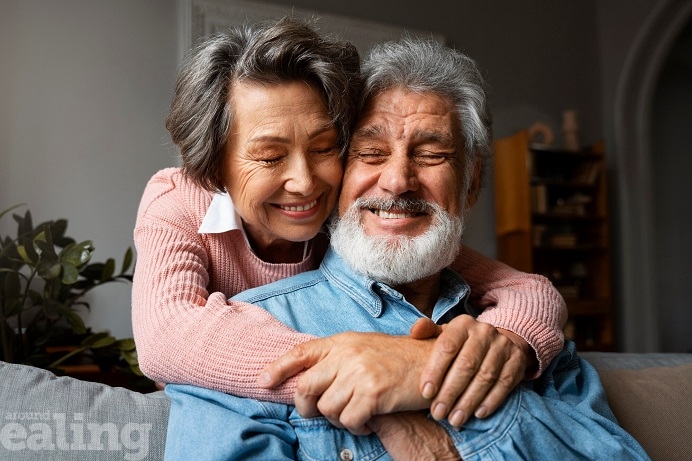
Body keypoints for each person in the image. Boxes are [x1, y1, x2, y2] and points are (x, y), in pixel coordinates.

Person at [163, 36, 650, 461]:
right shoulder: (236, 343)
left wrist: (426, 370)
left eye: (433, 154)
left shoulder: (522, 338)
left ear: (472, 182)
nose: (397, 181)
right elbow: (167, 334)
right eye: (370, 153)